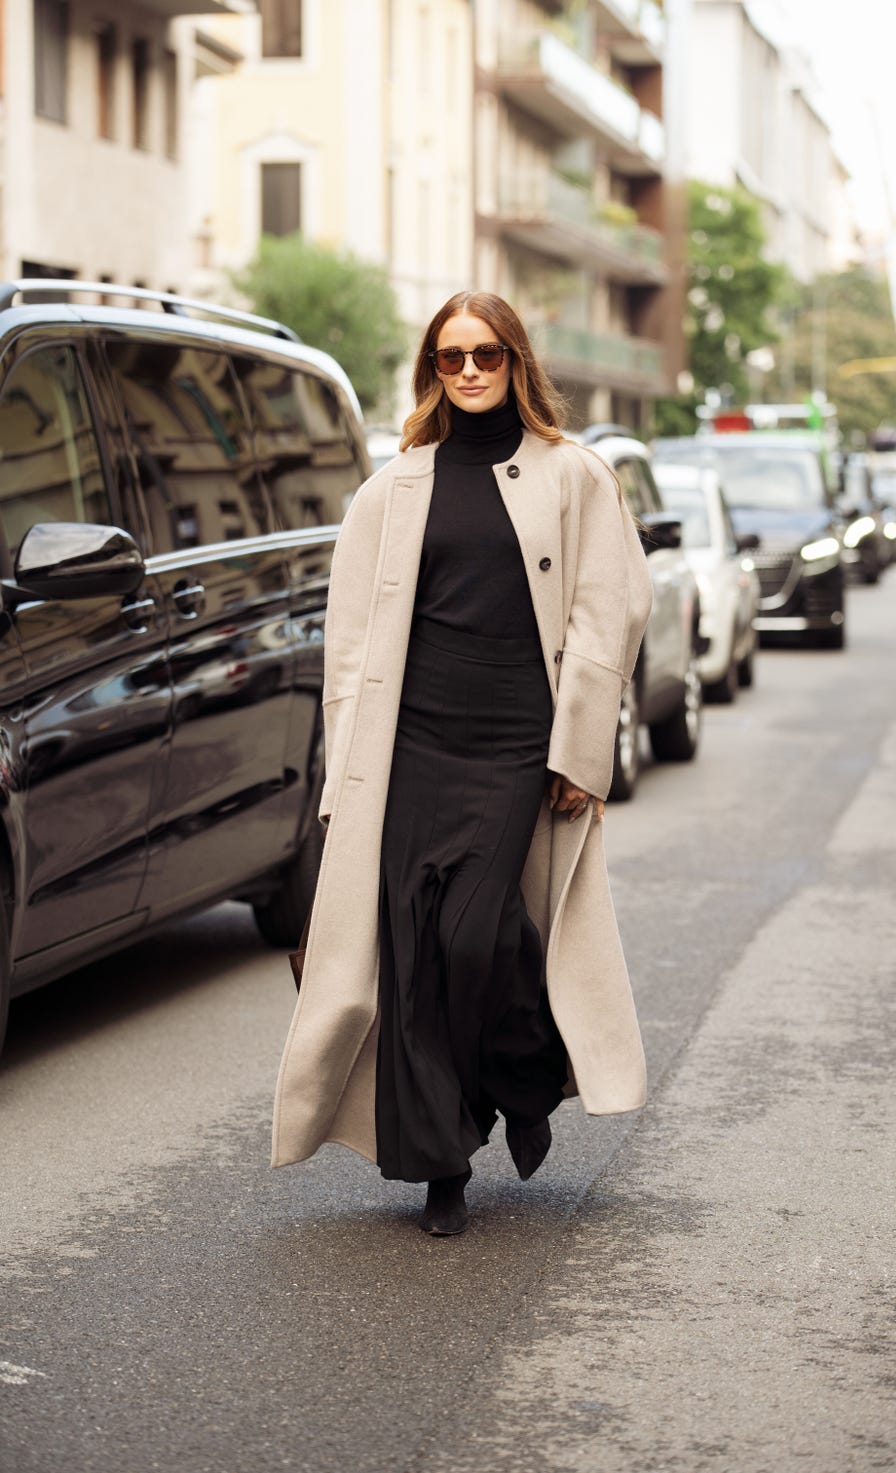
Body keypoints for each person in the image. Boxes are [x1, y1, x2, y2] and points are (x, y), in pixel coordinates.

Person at [272, 291, 652, 1236]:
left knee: (481, 936)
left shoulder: (574, 476)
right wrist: (343, 785)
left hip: (516, 746)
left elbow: (613, 612)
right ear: (431, 372)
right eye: (451, 358)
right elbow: (351, 645)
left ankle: (523, 1073)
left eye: (487, 354)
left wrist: (581, 752)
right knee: (415, 953)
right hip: (411, 749)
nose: (471, 370)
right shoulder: (392, 488)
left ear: (517, 361)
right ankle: (442, 1161)